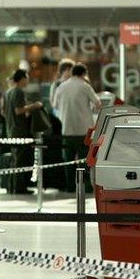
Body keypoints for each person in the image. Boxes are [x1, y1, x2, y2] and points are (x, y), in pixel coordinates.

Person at [54, 63, 101, 193]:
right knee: (84, 160)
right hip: (83, 130)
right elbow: (98, 104)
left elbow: (55, 105)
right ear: (84, 74)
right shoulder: (85, 86)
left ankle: (70, 187)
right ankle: (84, 186)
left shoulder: (61, 86)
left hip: (66, 129)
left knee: (68, 161)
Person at [5, 69, 44, 194]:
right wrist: (34, 106)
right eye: (26, 78)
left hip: (11, 129)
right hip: (19, 130)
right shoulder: (18, 92)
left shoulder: (9, 92)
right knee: (20, 160)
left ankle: (12, 186)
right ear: (21, 79)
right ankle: (19, 187)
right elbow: (18, 110)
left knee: (14, 159)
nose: (28, 81)